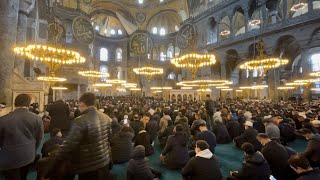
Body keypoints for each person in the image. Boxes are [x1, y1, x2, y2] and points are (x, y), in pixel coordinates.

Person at [53, 92, 112, 180]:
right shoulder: (106, 117)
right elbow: (109, 138)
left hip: (88, 164)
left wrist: (55, 160)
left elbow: (69, 145)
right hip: (104, 159)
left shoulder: (80, 120)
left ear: (82, 103)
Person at [0, 94, 44, 180]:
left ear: (14, 103)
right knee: (24, 176)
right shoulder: (37, 118)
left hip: (9, 156)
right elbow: (39, 137)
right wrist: (33, 149)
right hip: (28, 154)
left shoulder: (3, 119)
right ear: (29, 104)